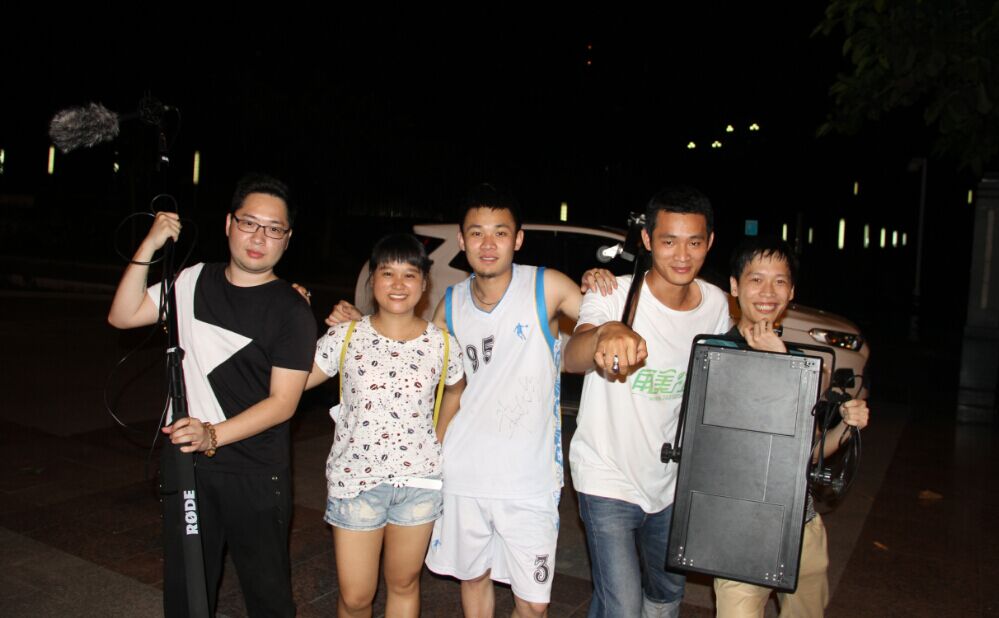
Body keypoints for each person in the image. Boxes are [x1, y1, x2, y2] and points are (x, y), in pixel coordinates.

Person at [327, 183, 610, 618]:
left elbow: (598, 319)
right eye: (477, 233)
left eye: (500, 232)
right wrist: (360, 324)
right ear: (462, 241)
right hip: (461, 472)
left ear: (518, 239)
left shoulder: (546, 285)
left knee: (534, 605)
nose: (488, 243)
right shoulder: (452, 302)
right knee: (473, 580)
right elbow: (412, 347)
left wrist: (602, 284)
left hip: (530, 480)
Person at [107, 174, 316, 617]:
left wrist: (212, 434)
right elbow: (123, 315)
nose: (258, 237)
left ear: (287, 239)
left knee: (268, 594)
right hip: (187, 461)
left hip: (256, 470)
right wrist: (150, 244)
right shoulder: (191, 280)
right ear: (228, 224)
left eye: (273, 229)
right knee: (188, 588)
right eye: (248, 223)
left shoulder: (291, 310)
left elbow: (283, 402)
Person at [564, 186, 733, 618]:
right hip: (606, 474)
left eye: (694, 242)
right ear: (647, 240)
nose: (682, 255)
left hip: (671, 480)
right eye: (669, 241)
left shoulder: (715, 305)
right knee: (622, 605)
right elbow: (572, 356)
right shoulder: (613, 295)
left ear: (710, 242)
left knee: (665, 595)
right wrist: (604, 334)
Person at [306, 234, 465, 618]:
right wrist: (288, 310)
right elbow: (292, 380)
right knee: (356, 597)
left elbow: (456, 390)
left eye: (409, 274)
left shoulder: (442, 344)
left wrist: (438, 438)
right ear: (372, 280)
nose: (398, 284)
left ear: (424, 284)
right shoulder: (346, 336)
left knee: (404, 584)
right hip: (356, 482)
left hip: (418, 485)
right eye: (387, 273)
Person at [711, 237, 869, 618]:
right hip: (740, 530)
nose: (768, 292)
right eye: (756, 279)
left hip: (802, 525)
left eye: (779, 281)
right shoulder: (714, 354)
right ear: (734, 287)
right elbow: (729, 445)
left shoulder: (802, 361)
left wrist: (847, 429)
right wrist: (781, 365)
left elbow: (807, 452)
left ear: (792, 292)